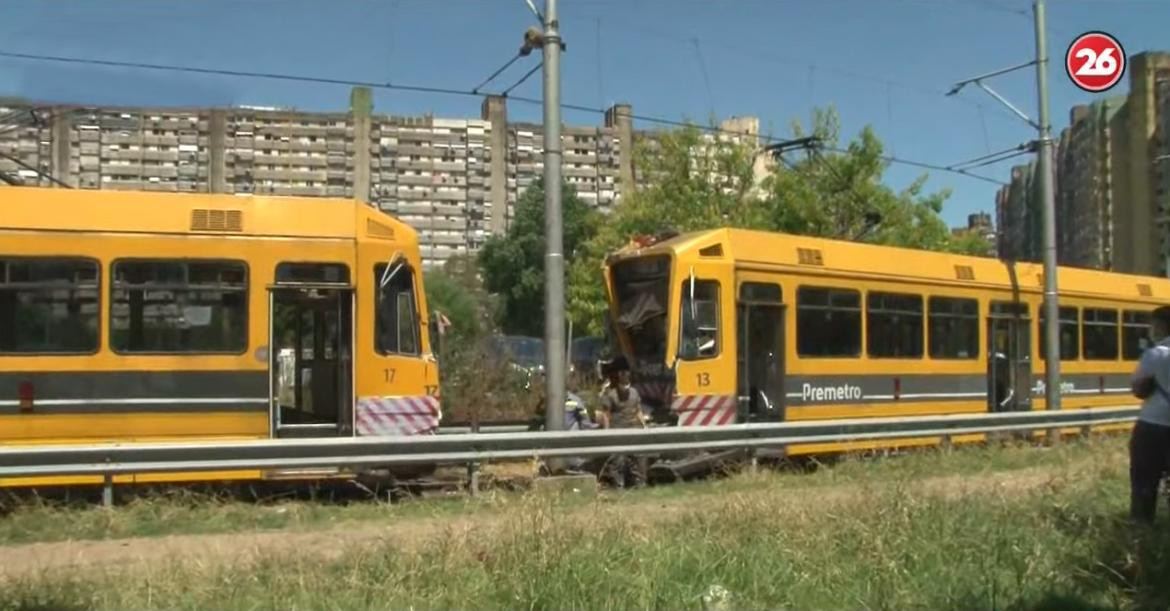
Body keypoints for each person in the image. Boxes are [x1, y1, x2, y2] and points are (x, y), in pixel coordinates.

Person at [1128, 304, 1170, 524]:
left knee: (1144, 478)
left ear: (1162, 325)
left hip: (1153, 425)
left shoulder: (1155, 355)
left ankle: (1141, 524)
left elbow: (1137, 388)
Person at [597, 356, 647, 488]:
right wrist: (607, 432)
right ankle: (618, 486)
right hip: (617, 432)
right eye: (621, 373)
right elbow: (606, 415)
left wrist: (645, 427)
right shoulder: (611, 395)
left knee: (636, 460)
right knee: (617, 461)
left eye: (626, 372)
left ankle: (639, 485)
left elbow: (638, 411)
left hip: (634, 431)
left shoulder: (634, 393)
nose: (624, 375)